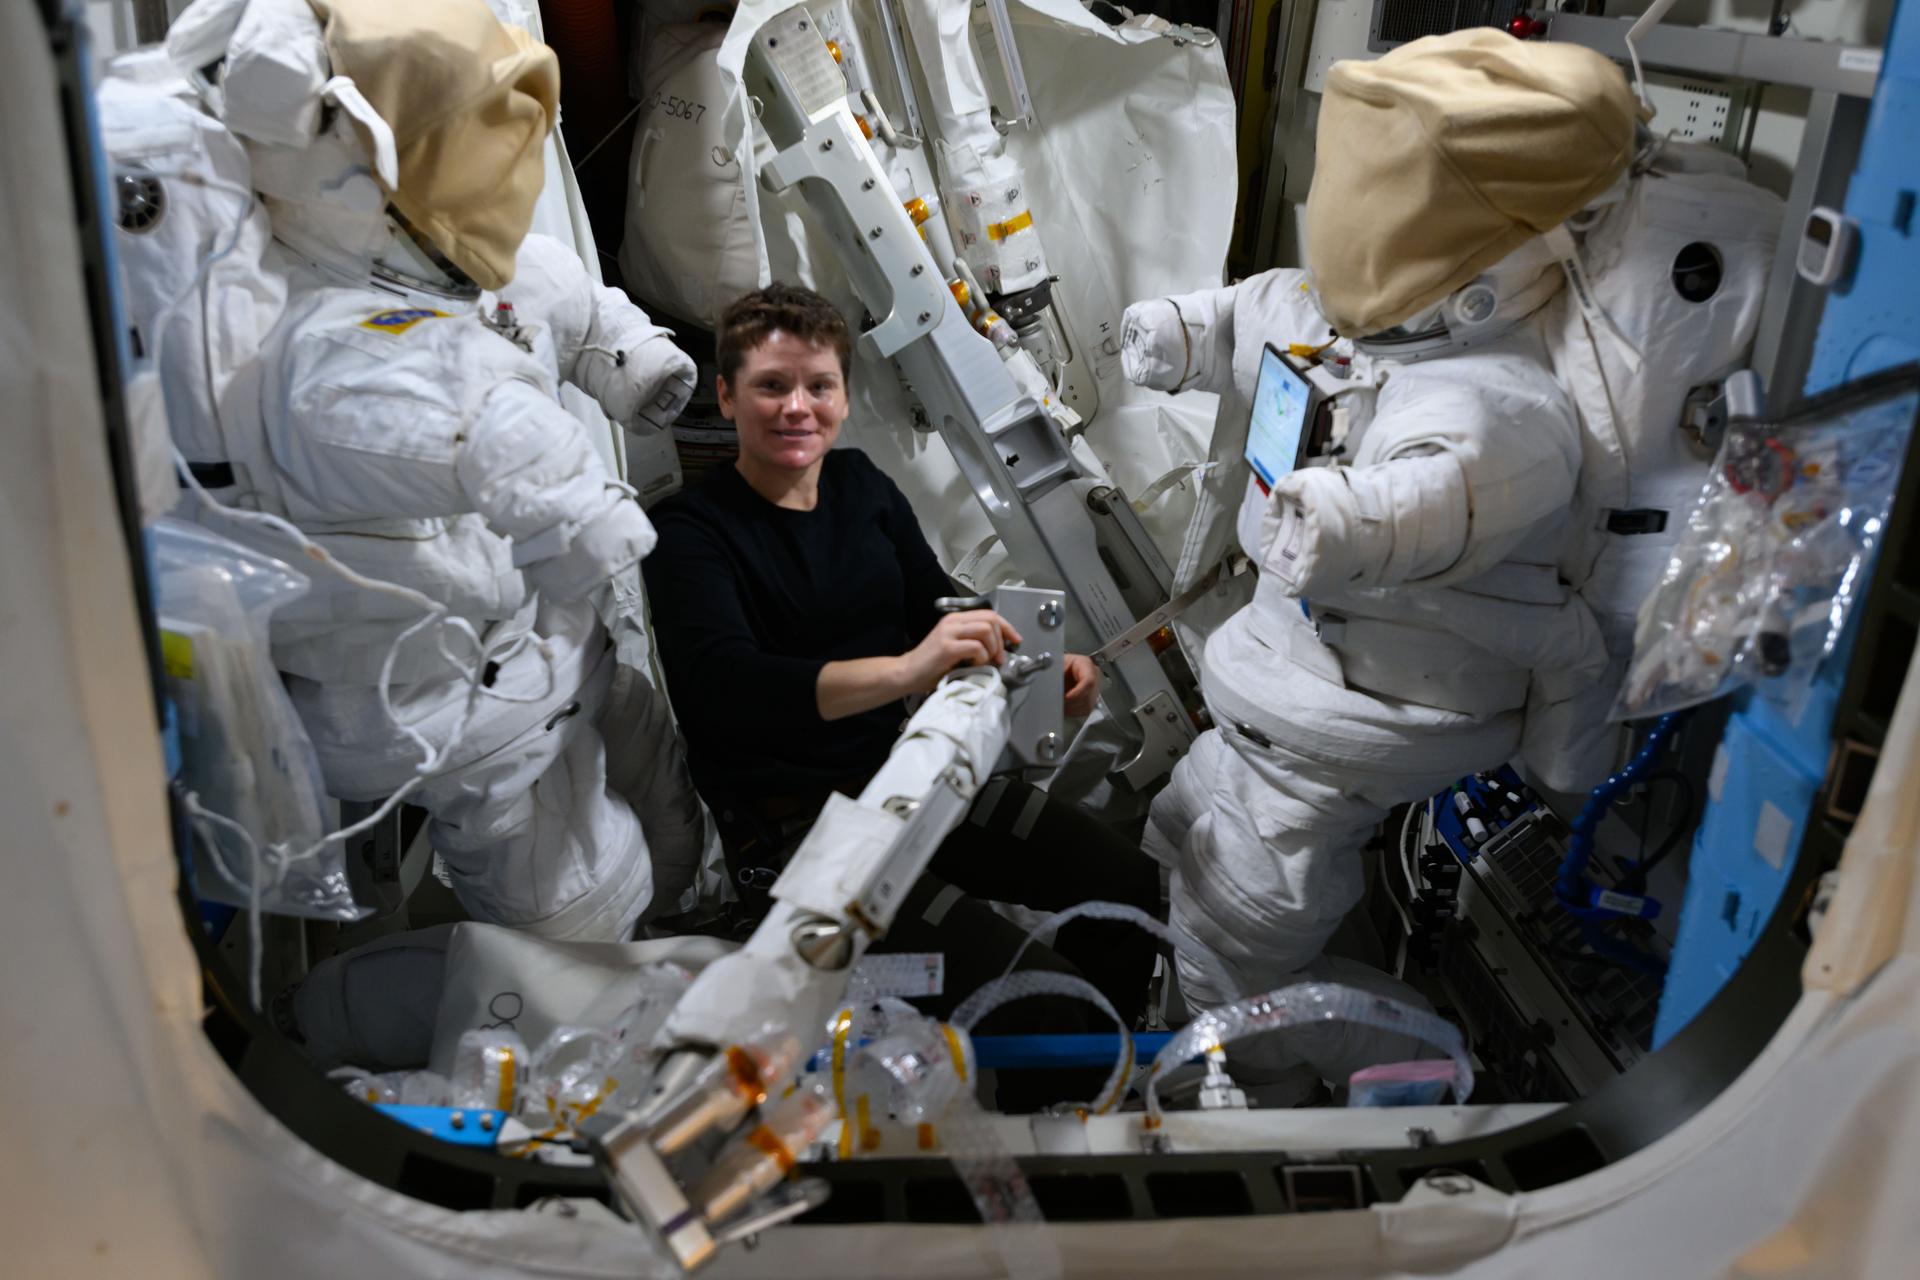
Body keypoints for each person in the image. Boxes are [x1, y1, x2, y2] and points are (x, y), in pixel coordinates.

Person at [1119, 29, 1642, 1088]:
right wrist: (1181, 334)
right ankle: (1228, 1031)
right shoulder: (1343, 324)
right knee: (1182, 831)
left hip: (1355, 720)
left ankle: (1408, 1072)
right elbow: (1256, 315)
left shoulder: (1495, 399)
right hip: (1279, 688)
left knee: (1236, 945)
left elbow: (1442, 496)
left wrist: (1346, 521)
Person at [153, 0, 706, 940]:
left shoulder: (465, 255)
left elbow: (557, 293)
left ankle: (690, 905)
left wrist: (632, 358)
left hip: (555, 626)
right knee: (572, 889)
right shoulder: (316, 348)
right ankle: (598, 981)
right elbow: (459, 422)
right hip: (453, 692)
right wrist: (576, 510)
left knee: (646, 753)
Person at [641, 283, 1161, 1091]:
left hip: (910, 780)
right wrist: (909, 670)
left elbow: (939, 606)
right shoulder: (689, 536)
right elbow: (730, 688)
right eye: (771, 386)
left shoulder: (860, 488)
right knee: (1046, 1004)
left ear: (844, 396)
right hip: (800, 835)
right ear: (727, 395)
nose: (797, 408)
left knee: (1126, 886)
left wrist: (1042, 661)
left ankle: (1089, 1085)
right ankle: (1037, 1100)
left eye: (818, 385)